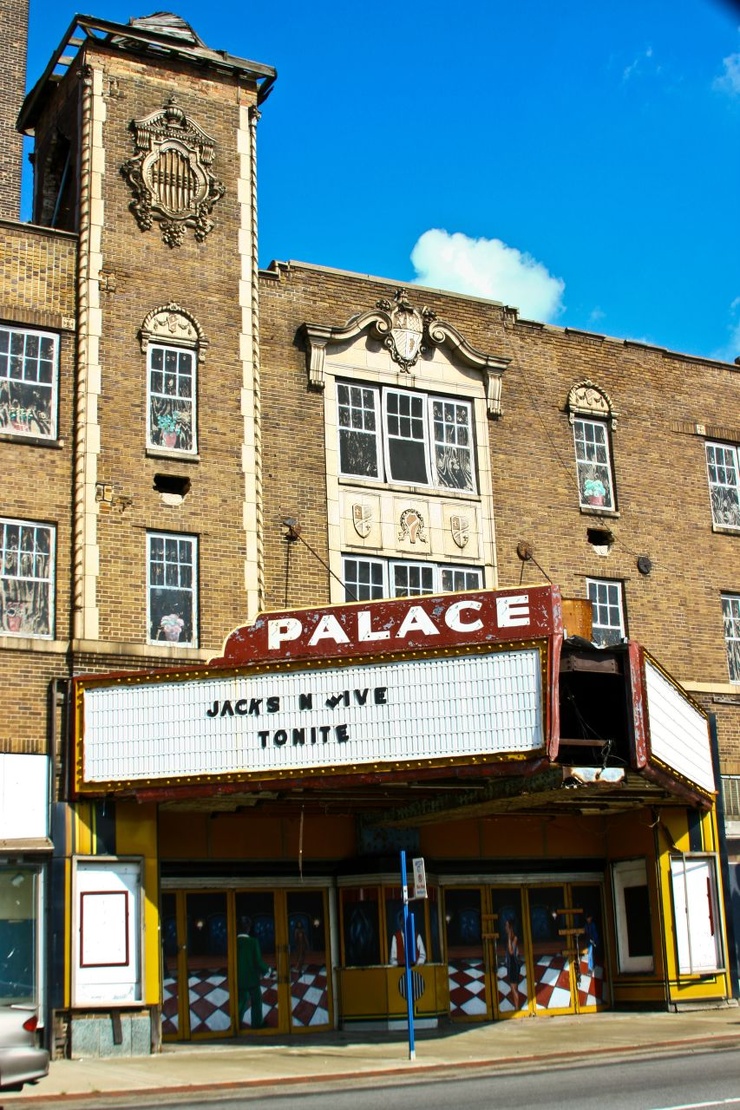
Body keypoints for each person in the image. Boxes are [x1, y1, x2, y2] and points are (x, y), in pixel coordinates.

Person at [237, 916, 271, 1029]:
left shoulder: (234, 942)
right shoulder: (253, 942)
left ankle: (236, 1024)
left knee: (241, 1001)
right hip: (252, 979)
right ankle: (256, 1024)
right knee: (256, 1001)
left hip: (239, 978)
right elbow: (258, 961)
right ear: (248, 928)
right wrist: (267, 970)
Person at [504, 917, 522, 1010]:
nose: (505, 928)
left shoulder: (514, 938)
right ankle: (516, 1006)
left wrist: (508, 938)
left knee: (513, 987)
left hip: (514, 964)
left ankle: (517, 1007)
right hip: (511, 964)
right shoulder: (512, 938)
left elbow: (511, 951)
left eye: (507, 926)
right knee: (514, 986)